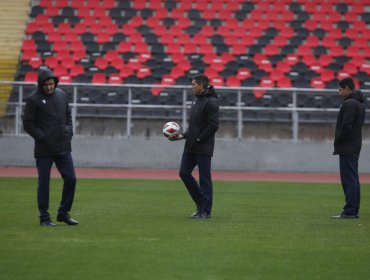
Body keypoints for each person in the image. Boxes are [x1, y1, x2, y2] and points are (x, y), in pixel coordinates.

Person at [23, 66, 79, 226]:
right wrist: (43, 137)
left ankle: (63, 213)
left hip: (63, 147)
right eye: (46, 84)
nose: (49, 87)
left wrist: (69, 131)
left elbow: (68, 116)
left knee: (71, 179)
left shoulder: (61, 95)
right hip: (44, 149)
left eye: (51, 84)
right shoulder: (33, 99)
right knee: (44, 183)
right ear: (40, 84)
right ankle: (44, 218)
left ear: (55, 83)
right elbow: (28, 124)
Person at [169, 75, 219, 219]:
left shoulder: (212, 102)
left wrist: (199, 138)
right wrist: (183, 136)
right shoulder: (196, 101)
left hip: (203, 146)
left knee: (204, 179)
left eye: (193, 85)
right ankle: (200, 204)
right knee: (183, 173)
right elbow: (194, 126)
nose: (191, 87)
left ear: (202, 86)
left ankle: (205, 211)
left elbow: (214, 125)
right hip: (190, 145)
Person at [332, 77, 366, 219]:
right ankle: (353, 210)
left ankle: (350, 211)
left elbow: (346, 125)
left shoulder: (350, 103)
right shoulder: (358, 103)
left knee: (348, 179)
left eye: (340, 89)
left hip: (347, 145)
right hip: (354, 145)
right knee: (353, 179)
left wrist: (338, 138)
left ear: (346, 88)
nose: (339, 92)